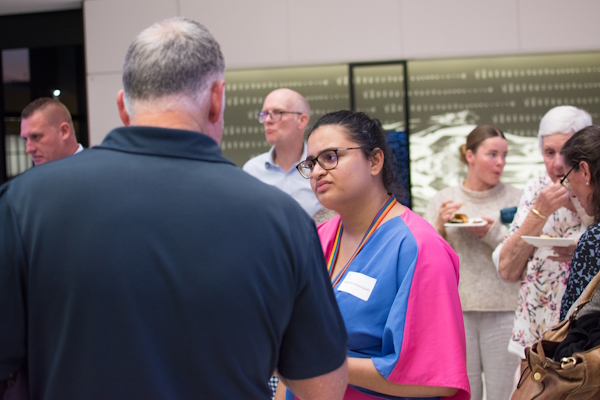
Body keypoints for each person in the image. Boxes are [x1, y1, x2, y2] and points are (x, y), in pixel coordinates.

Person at [0, 17, 348, 400]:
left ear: (122, 105)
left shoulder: (22, 205)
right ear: (217, 100)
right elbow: (323, 387)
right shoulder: (284, 221)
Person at [278, 110, 470, 400]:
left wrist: (325, 365)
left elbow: (438, 379)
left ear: (375, 161)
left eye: (331, 157)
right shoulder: (316, 238)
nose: (317, 171)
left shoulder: (418, 248)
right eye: (311, 163)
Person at [425, 125, 522, 400]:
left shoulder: (516, 198)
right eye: (492, 154)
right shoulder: (442, 200)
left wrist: (491, 233)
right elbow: (425, 256)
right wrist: (440, 226)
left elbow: (523, 253)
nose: (500, 162)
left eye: (504, 155)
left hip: (504, 308)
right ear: (469, 156)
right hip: (456, 310)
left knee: (504, 392)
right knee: (462, 390)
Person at [492, 105, 592, 359]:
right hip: (536, 338)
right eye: (549, 152)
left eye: (566, 151)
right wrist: (540, 211)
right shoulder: (538, 187)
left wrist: (582, 248)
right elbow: (506, 269)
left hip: (587, 339)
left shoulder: (594, 190)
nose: (558, 164)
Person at [243, 88, 321, 216]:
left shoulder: (321, 167)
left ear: (302, 120)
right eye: (264, 114)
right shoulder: (252, 170)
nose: (267, 120)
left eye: (278, 112)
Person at [559, 125, 600, 319]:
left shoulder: (594, 240)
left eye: (567, 179)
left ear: (584, 170)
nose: (572, 193)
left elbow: (573, 321)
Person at [20, 97, 83, 166]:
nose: (28, 149)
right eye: (25, 139)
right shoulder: (39, 175)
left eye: (36, 137)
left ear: (64, 131)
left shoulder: (94, 170)